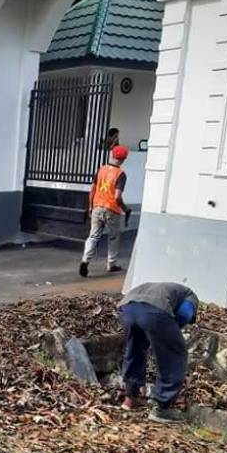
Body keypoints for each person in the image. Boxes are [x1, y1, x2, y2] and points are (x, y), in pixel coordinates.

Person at [116, 282, 198, 424]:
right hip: (153, 312)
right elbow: (184, 314)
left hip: (126, 309)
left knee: (135, 349)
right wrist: (170, 333)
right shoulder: (191, 296)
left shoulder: (165, 288)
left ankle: (130, 398)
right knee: (174, 354)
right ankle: (162, 408)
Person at [80, 144, 131, 277]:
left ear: (112, 155)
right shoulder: (120, 174)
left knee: (93, 236)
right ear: (123, 159)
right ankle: (111, 264)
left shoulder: (101, 170)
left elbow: (93, 189)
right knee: (113, 237)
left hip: (97, 206)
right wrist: (124, 208)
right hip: (112, 210)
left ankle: (85, 260)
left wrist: (90, 206)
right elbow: (117, 196)